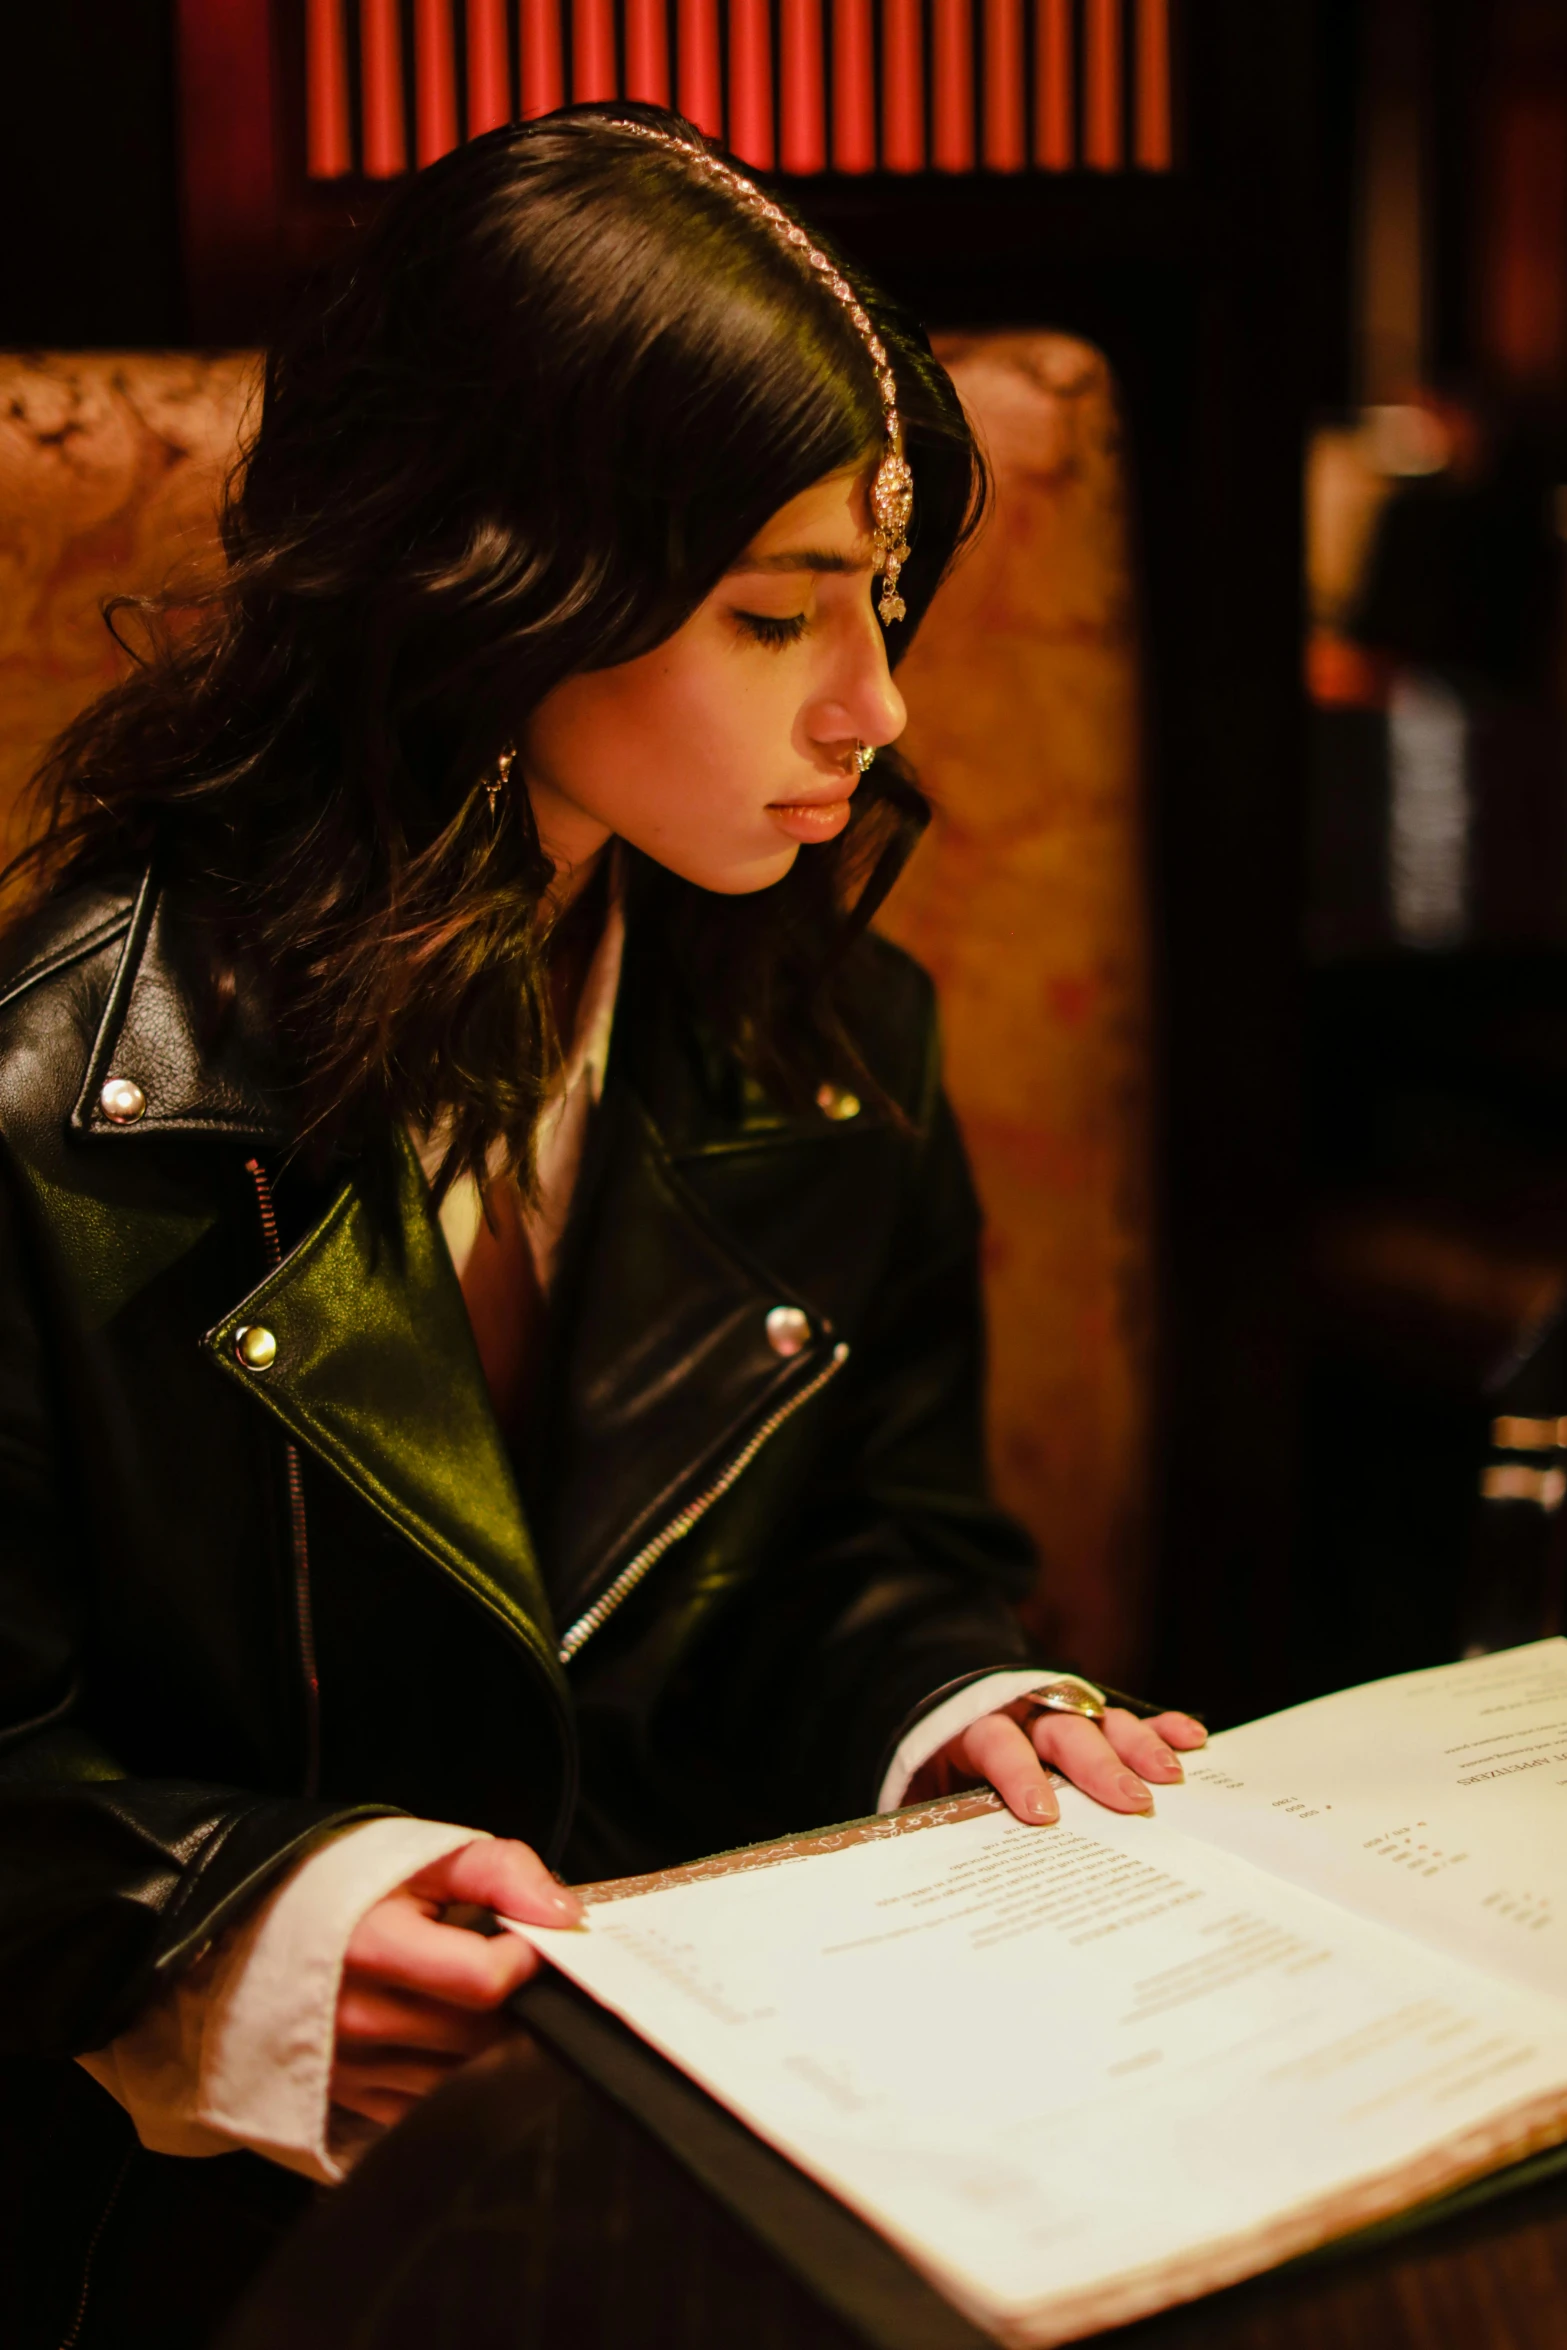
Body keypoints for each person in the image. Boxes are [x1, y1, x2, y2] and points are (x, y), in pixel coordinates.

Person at [0, 106, 1203, 2345]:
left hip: (726, 2157)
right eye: (777, 614)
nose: (880, 706)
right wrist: (259, 1927)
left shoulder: (829, 1037)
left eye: (884, 600)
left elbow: (867, 1556)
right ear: (492, 572)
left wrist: (954, 1704)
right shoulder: (56, 1114)